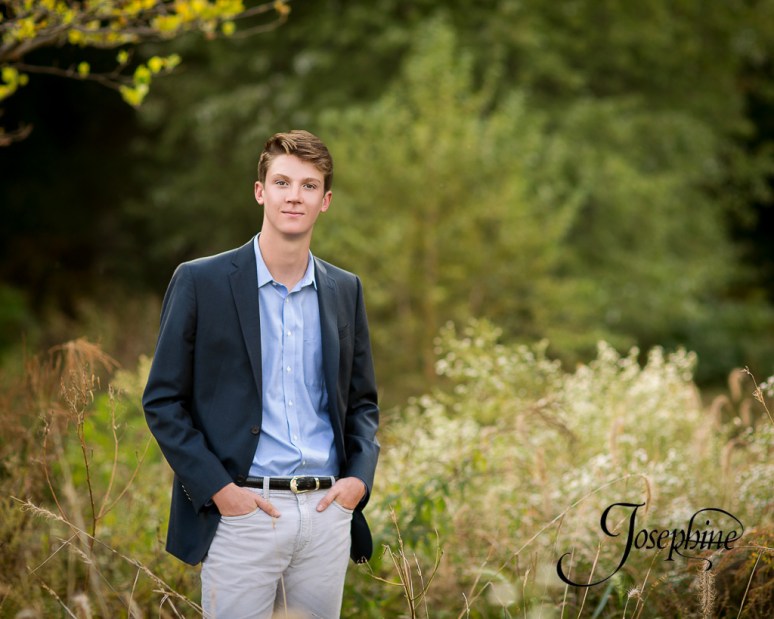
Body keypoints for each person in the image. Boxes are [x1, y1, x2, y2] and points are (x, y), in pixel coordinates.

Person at [142, 130, 380, 618]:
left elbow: (362, 404)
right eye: (282, 182)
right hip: (244, 514)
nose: (294, 196)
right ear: (260, 191)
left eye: (309, 186)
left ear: (325, 201)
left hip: (325, 514)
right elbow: (163, 401)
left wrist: (355, 483)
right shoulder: (200, 281)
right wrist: (220, 492)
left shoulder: (344, 290)